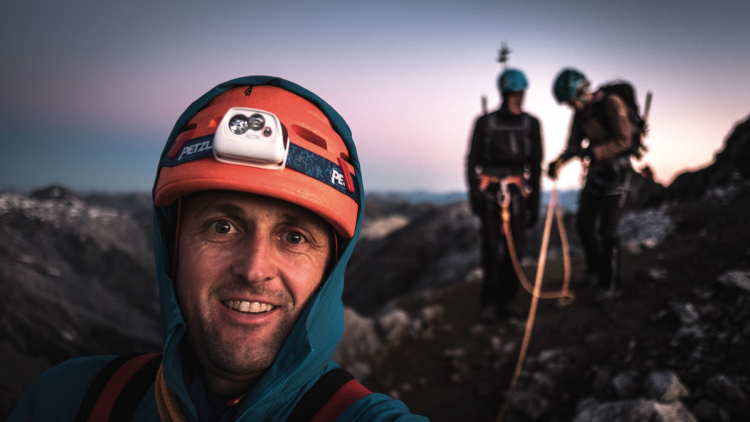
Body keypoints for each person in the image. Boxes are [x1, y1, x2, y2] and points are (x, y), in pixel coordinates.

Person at [10, 77, 427, 421]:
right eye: (222, 227)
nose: (253, 268)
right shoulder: (68, 402)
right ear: (173, 250)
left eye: (294, 237)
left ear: (330, 269)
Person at [547, 68, 635, 296]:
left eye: (571, 101)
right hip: (596, 173)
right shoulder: (580, 116)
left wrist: (596, 152)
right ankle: (594, 271)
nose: (571, 106)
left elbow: (624, 140)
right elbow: (574, 147)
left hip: (618, 172)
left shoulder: (612, 104)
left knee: (608, 231)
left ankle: (610, 284)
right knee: (584, 223)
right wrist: (558, 162)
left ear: (581, 92)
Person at [466, 68, 543, 320]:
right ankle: (489, 301)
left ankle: (506, 301)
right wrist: (475, 197)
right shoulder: (484, 122)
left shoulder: (531, 124)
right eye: (512, 94)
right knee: (490, 251)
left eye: (518, 94)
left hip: (517, 195)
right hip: (490, 195)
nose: (516, 99)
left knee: (515, 251)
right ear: (504, 93)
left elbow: (535, 165)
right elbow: (472, 161)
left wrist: (535, 204)